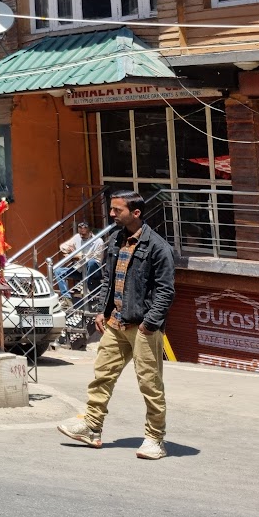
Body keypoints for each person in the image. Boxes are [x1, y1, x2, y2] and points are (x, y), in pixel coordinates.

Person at [57, 192, 176, 459]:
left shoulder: (158, 247)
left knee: (150, 384)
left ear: (136, 213)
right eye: (111, 209)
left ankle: (155, 439)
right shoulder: (115, 240)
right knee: (102, 375)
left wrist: (150, 323)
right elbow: (108, 280)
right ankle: (91, 426)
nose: (112, 214)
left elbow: (165, 291)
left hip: (143, 326)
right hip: (115, 323)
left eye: (117, 210)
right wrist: (102, 311)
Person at [53, 222, 105, 298]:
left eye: (83, 234)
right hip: (79, 269)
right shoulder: (77, 237)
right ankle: (66, 297)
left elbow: (97, 260)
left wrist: (76, 255)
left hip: (93, 271)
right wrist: (68, 252)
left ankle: (85, 285)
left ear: (90, 232)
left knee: (91, 262)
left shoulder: (98, 241)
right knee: (58, 271)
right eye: (80, 233)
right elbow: (63, 246)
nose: (81, 236)